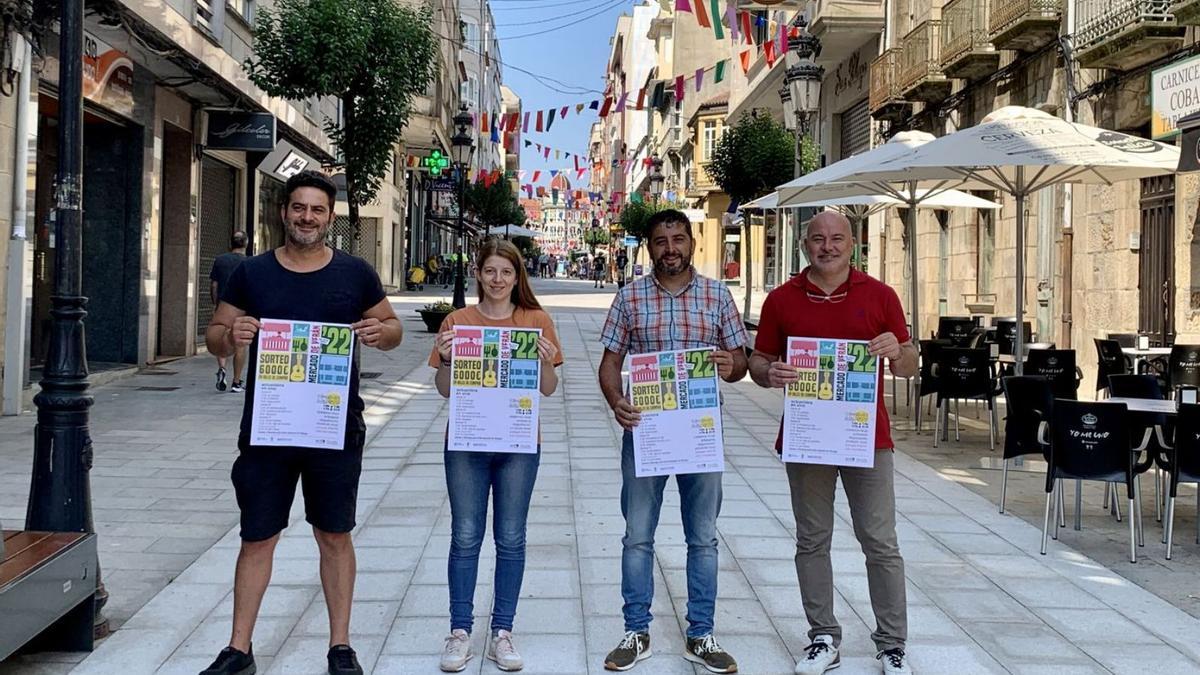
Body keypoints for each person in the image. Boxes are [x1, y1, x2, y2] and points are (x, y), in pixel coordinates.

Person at [201, 171, 403, 675]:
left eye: (316, 210)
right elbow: (216, 336)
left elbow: (394, 327)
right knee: (257, 535)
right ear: (283, 212)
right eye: (298, 208)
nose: (306, 217)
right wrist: (234, 336)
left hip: (333, 427)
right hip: (269, 427)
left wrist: (383, 332)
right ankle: (238, 649)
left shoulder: (355, 274)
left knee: (333, 533)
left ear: (329, 218)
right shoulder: (251, 273)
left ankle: (340, 646)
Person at [747, 211, 918, 675]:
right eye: (818, 239)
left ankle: (892, 643)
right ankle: (823, 637)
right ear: (805, 245)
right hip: (808, 436)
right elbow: (759, 362)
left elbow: (909, 364)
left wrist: (896, 350)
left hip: (869, 436)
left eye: (837, 238)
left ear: (853, 244)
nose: (828, 247)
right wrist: (770, 373)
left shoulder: (880, 295)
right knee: (812, 539)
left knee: (880, 540)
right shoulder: (782, 299)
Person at [597, 209, 748, 673]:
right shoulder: (630, 296)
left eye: (678, 239)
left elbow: (741, 362)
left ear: (692, 244)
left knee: (702, 538)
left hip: (701, 435)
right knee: (637, 535)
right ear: (649, 246)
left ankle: (700, 634)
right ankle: (635, 630)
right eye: (661, 241)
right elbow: (609, 362)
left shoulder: (717, 295)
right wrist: (617, 400)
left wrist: (730, 364)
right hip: (647, 432)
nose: (671, 249)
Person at [431, 239, 563, 673]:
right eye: (490, 271)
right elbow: (445, 390)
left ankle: (502, 631)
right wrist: (448, 360)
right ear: (478, 274)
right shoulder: (458, 321)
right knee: (466, 535)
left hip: (519, 444)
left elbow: (548, 388)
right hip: (467, 442)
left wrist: (544, 362)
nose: (498, 280)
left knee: (511, 537)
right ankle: (460, 631)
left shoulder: (535, 320)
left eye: (506, 272)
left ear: (517, 277)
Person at [210, 231, 249, 393]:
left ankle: (222, 368)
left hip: (222, 306)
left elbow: (214, 285)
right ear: (246, 243)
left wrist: (216, 303)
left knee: (222, 337)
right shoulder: (249, 263)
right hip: (242, 309)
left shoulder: (220, 260)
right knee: (240, 344)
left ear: (230, 243)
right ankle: (236, 381)